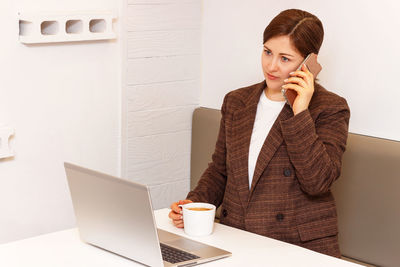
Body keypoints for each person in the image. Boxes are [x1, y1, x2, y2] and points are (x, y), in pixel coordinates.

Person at [169, 9, 350, 258]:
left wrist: (300, 111)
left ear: (309, 63)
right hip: (238, 237)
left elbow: (317, 182)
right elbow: (221, 169)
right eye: (267, 52)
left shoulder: (330, 108)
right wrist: (194, 204)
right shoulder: (236, 101)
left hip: (298, 248)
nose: (271, 66)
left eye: (285, 58)